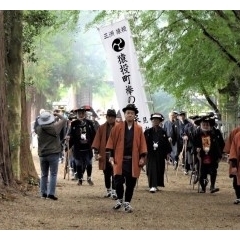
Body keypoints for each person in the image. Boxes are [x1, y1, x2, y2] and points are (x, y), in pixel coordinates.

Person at [106, 103, 147, 213]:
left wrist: (142, 157)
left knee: (131, 183)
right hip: (119, 159)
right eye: (128, 113)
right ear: (125, 114)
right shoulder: (117, 127)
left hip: (132, 161)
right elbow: (111, 142)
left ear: (134, 116)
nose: (130, 115)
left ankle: (127, 202)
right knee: (118, 181)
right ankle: (120, 200)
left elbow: (142, 144)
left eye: (132, 113)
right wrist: (111, 156)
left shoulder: (138, 129)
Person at [36, 110, 67, 200]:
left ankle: (43, 193)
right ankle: (51, 194)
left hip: (42, 153)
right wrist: (56, 114)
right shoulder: (55, 127)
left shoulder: (39, 129)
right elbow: (64, 119)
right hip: (53, 153)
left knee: (43, 174)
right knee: (53, 174)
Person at [92, 109, 118, 199]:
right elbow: (97, 140)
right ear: (106, 117)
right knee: (106, 172)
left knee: (115, 172)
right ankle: (108, 190)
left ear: (115, 118)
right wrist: (96, 152)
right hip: (104, 152)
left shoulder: (119, 127)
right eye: (109, 117)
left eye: (112, 117)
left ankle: (115, 191)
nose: (110, 118)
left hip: (115, 153)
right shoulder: (102, 127)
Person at [193, 115, 224, 193]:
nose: (206, 126)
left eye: (207, 125)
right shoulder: (197, 135)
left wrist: (219, 156)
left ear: (210, 126)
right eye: (204, 124)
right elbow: (193, 145)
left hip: (212, 156)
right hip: (201, 156)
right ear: (201, 125)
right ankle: (203, 187)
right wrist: (196, 149)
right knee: (202, 173)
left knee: (213, 171)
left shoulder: (213, 135)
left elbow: (217, 146)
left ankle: (212, 186)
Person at [67, 106, 96, 186]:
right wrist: (68, 143)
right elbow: (70, 134)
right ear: (77, 114)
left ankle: (89, 178)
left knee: (89, 163)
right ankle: (80, 179)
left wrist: (95, 146)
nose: (81, 115)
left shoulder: (89, 123)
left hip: (88, 147)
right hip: (78, 148)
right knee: (78, 164)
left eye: (82, 113)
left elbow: (94, 134)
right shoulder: (73, 124)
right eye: (79, 113)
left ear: (85, 114)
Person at [144, 113, 172, 193]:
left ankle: (156, 184)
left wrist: (167, 153)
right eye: (154, 120)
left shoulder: (163, 132)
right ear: (151, 121)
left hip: (160, 154)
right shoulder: (148, 132)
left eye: (157, 120)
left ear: (160, 121)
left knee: (159, 168)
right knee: (151, 169)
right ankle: (152, 185)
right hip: (151, 153)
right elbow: (143, 143)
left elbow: (166, 143)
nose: (155, 121)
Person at [223, 125, 240, 204]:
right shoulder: (236, 133)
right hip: (238, 160)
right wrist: (232, 161)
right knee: (236, 179)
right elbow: (231, 147)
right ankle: (238, 196)